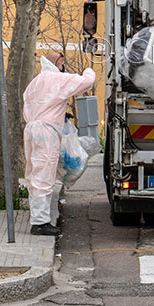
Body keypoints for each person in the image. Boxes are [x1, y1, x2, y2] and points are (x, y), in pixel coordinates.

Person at [23, 52, 96, 236]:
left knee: (34, 173)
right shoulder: (58, 79)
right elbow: (86, 82)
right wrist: (88, 70)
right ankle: (40, 223)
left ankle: (39, 218)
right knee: (44, 174)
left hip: (31, 129)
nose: (63, 66)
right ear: (56, 63)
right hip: (47, 132)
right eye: (62, 63)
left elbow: (37, 104)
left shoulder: (35, 83)